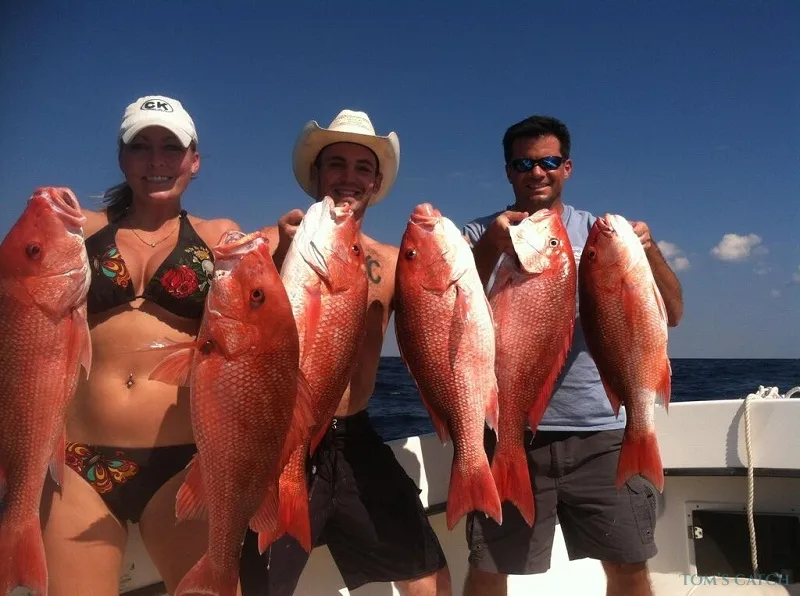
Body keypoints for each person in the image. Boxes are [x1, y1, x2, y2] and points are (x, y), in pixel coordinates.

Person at [460, 115, 684, 596]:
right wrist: (488, 250)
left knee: (628, 565)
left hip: (601, 433)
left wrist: (649, 250)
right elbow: (443, 311)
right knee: (490, 566)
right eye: (523, 163)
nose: (536, 172)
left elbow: (674, 312)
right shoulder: (478, 234)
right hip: (510, 430)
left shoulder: (599, 233)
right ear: (508, 171)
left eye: (548, 161)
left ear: (567, 168)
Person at [238, 109, 451, 596]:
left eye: (363, 167)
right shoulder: (266, 244)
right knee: (255, 587)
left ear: (376, 183)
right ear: (316, 175)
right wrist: (273, 262)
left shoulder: (397, 262)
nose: (349, 177)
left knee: (430, 578)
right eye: (337, 164)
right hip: (279, 436)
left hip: (355, 437)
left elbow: (438, 331)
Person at [40, 94, 242, 595]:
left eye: (171, 149)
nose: (156, 162)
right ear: (122, 158)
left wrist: (288, 236)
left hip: (185, 468)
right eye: (141, 147)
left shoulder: (219, 237)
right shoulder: (79, 230)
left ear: (194, 161)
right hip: (76, 465)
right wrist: (43, 208)